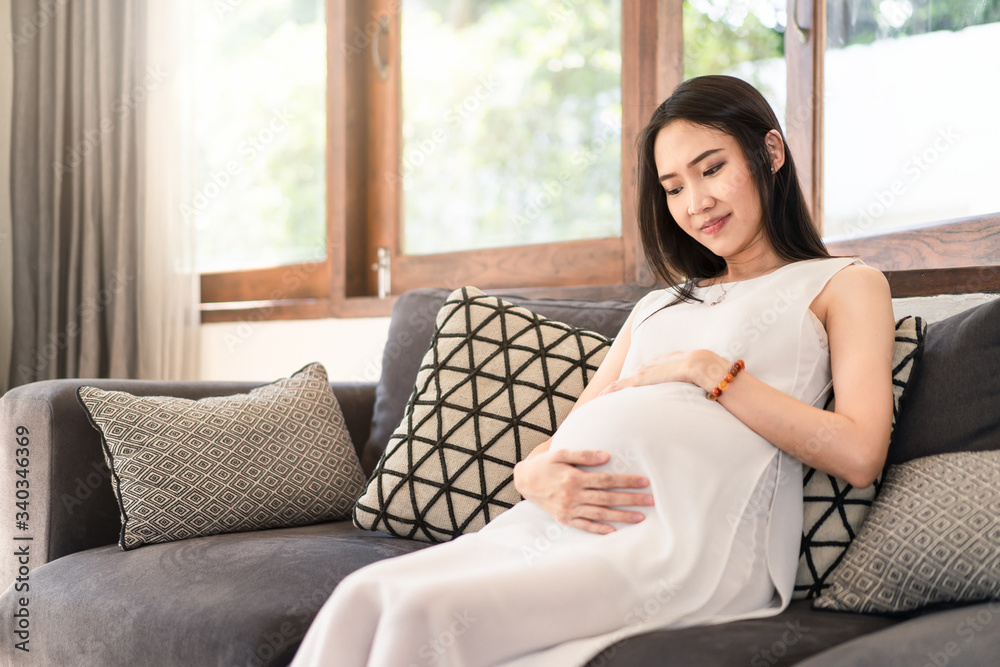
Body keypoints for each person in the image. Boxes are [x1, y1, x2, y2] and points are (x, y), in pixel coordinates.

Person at [289, 74, 896, 667]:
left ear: (770, 151)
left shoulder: (845, 284)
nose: (697, 202)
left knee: (424, 613)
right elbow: (552, 449)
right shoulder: (659, 305)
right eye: (674, 187)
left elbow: (860, 451)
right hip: (555, 524)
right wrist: (534, 481)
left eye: (711, 169)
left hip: (680, 544)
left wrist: (707, 370)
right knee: (363, 595)